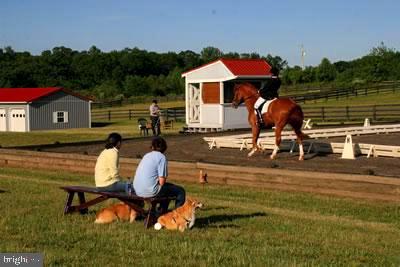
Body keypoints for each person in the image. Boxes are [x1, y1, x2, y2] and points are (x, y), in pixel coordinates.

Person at [133, 137, 185, 211]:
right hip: (150, 191)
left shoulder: (146, 155)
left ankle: (162, 211)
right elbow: (162, 182)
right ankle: (178, 214)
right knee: (180, 191)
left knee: (169, 188)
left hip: (137, 189)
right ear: (164, 147)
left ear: (152, 146)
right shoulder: (161, 157)